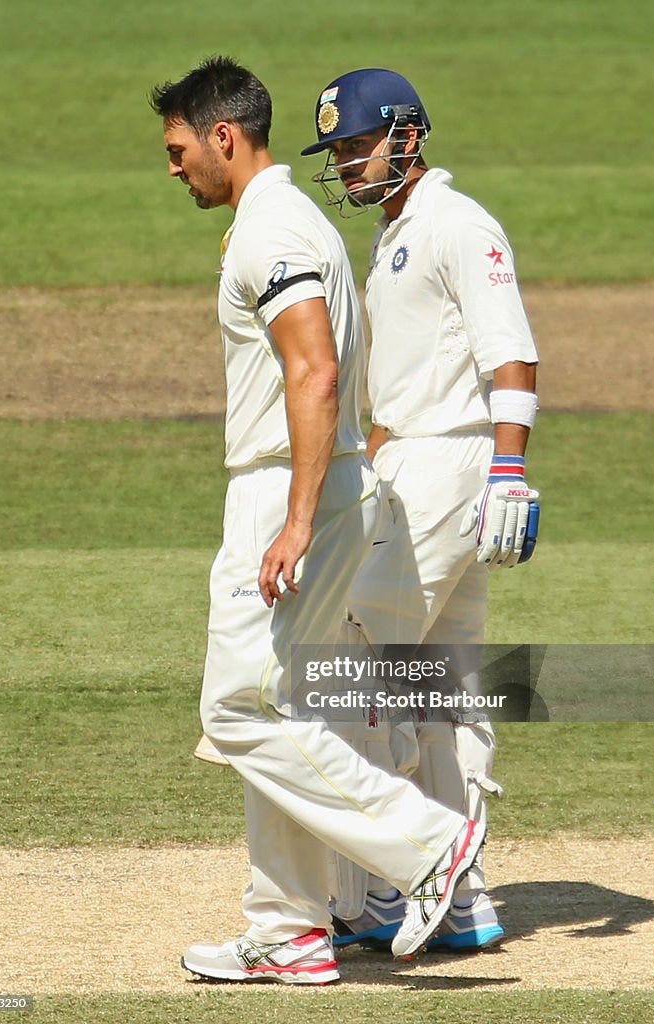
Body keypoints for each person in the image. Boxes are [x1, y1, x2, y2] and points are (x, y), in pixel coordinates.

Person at [150, 56, 485, 985]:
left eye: (180, 149)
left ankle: (424, 844)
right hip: (307, 483)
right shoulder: (282, 222)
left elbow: (316, 371)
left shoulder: (274, 232)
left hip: (287, 489)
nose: (173, 167)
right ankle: (290, 928)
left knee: (238, 707)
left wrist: (293, 519)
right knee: (277, 708)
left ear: (223, 136)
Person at [299, 68, 541, 953]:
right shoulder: (399, 229)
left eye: (356, 145)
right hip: (413, 466)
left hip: (445, 465)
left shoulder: (455, 222)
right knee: (443, 683)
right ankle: (465, 895)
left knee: (357, 660)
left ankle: (383, 887)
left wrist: (507, 469)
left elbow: (510, 354)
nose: (347, 164)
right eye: (336, 152)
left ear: (407, 135)